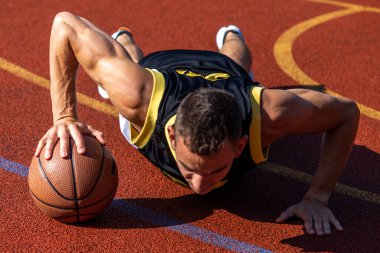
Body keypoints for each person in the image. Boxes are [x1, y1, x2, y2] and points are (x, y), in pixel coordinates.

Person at [34, 12, 360, 236]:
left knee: (236, 62)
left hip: (222, 74)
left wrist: (317, 197)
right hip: (162, 71)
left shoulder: (270, 114)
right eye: (189, 169)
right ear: (172, 135)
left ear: (241, 144)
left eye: (215, 171)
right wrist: (64, 117)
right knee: (130, 63)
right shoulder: (140, 98)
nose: (200, 186)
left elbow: (346, 113)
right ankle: (125, 40)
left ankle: (231, 34)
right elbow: (64, 23)